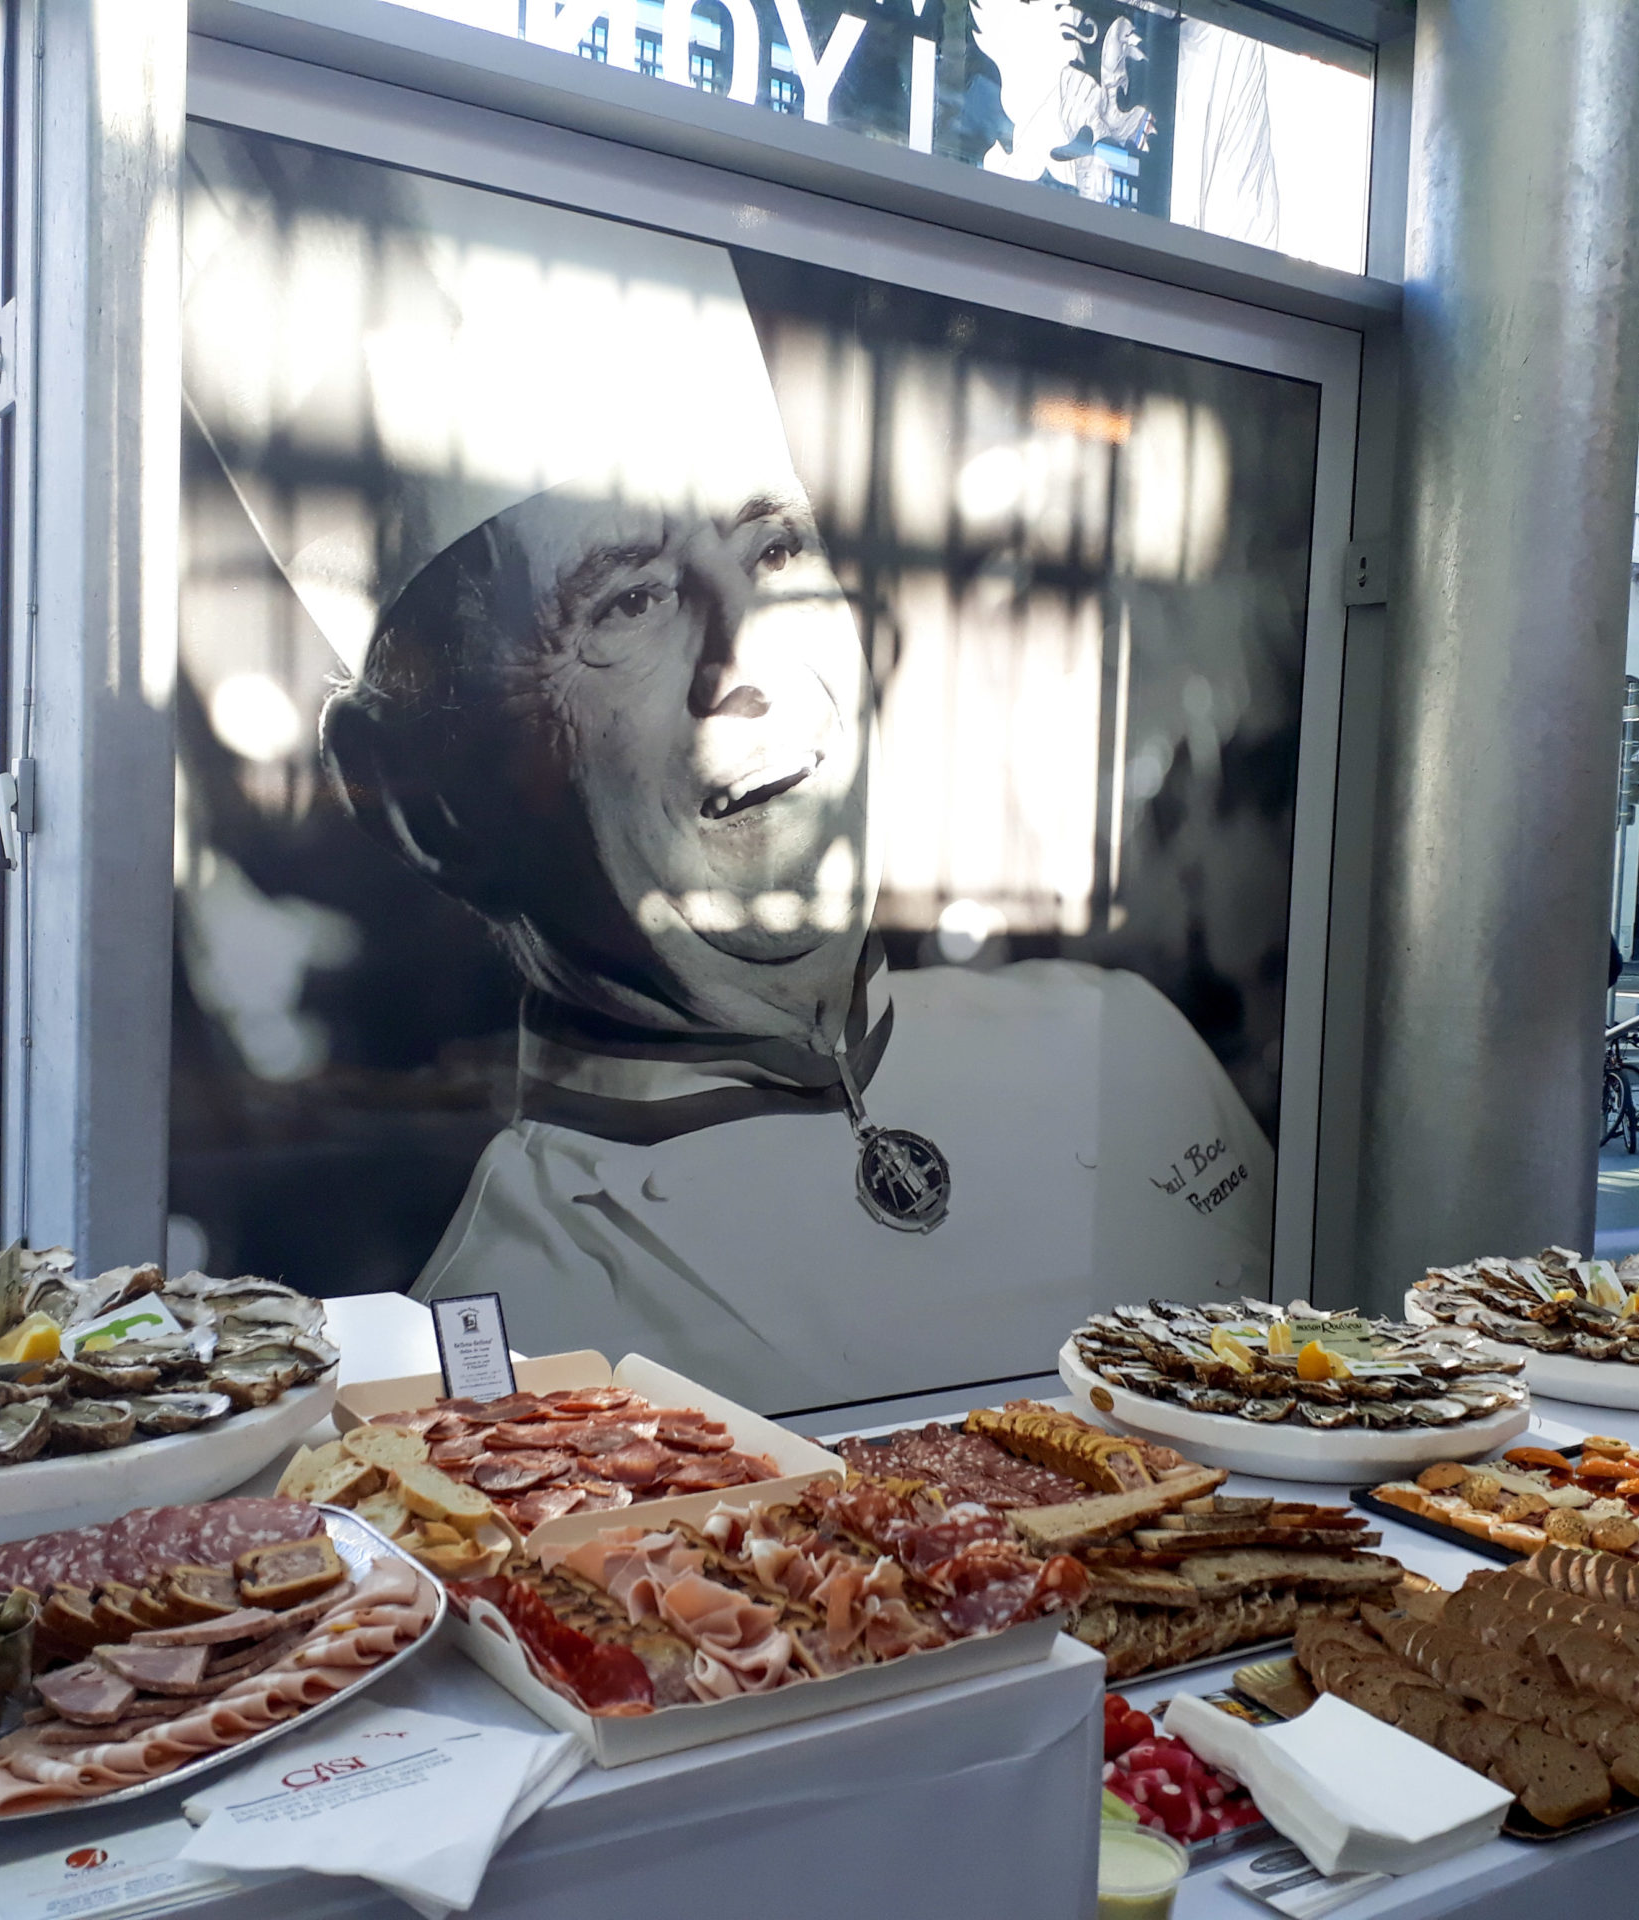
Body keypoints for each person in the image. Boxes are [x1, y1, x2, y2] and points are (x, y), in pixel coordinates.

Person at [180, 128, 1275, 1410]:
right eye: (629, 601)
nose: (746, 659)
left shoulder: (1122, 1045)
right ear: (422, 801)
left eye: (773, 552)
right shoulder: (517, 1330)